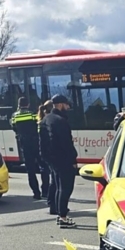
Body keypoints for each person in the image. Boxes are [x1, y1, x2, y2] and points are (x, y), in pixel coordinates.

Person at [42, 94, 79, 228]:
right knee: (66, 188)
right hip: (63, 159)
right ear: (60, 105)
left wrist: (47, 159)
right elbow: (66, 143)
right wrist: (73, 159)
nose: (68, 107)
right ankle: (63, 217)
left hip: (52, 160)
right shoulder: (60, 121)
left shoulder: (46, 119)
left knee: (58, 187)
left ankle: (60, 214)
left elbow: (43, 143)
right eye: (66, 105)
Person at [11, 97, 49, 200]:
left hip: (24, 145)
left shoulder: (14, 116)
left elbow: (14, 128)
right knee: (43, 167)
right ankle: (45, 191)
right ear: (27, 104)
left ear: (19, 105)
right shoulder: (32, 114)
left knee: (30, 170)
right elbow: (38, 126)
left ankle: (36, 193)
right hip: (36, 143)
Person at [38, 101, 57, 215]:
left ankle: (50, 200)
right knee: (54, 180)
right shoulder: (48, 121)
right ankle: (52, 203)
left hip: (45, 154)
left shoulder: (42, 120)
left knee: (52, 179)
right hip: (50, 154)